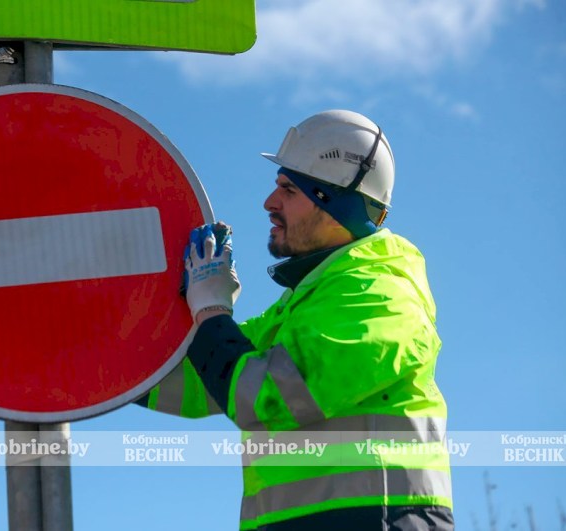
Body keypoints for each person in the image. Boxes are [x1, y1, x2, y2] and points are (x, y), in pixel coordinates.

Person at [137, 110, 455, 530]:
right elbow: (194, 385)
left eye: (289, 189)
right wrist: (105, 364)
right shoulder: (304, 303)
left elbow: (269, 396)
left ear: (331, 199)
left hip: (376, 520)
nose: (269, 203)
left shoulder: (379, 293)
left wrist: (211, 311)